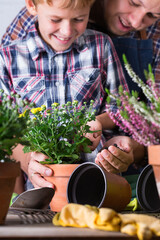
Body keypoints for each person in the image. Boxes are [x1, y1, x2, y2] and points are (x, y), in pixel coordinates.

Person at [1, 1, 160, 178]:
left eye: (152, 15)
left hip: (105, 172)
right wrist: (30, 164)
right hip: (41, 178)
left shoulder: (101, 45)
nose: (136, 22)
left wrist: (132, 148)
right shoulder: (12, 51)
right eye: (134, 2)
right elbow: (7, 132)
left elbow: (126, 112)